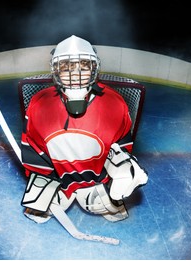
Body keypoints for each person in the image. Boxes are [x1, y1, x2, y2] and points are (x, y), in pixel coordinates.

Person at [20, 35, 148, 223]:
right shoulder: (39, 104)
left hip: (97, 184)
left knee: (104, 200)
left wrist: (123, 170)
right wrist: (40, 182)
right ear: (55, 71)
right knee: (45, 202)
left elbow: (121, 146)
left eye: (84, 67)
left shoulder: (115, 104)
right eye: (66, 69)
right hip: (59, 184)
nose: (75, 76)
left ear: (95, 70)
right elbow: (34, 150)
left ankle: (102, 192)